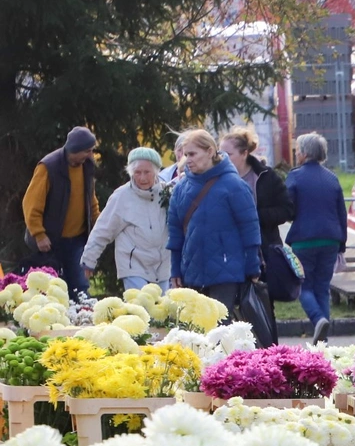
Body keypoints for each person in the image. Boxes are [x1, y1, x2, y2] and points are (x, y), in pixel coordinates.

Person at [166, 129, 262, 313]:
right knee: (195, 331)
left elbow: (250, 229)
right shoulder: (180, 189)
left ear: (210, 152)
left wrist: (252, 268)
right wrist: (175, 270)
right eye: (186, 155)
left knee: (220, 326)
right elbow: (175, 233)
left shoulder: (234, 186)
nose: (188, 159)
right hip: (191, 271)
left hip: (227, 272)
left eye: (193, 154)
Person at [221, 127, 294, 316]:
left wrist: (254, 216)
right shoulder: (218, 179)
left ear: (244, 153)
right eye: (221, 154)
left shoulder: (265, 177)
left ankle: (268, 344)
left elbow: (287, 210)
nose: (223, 158)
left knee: (261, 307)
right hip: (226, 255)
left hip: (262, 253)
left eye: (228, 154)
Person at [285, 132, 349, 345]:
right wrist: (342, 244)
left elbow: (289, 210)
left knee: (303, 286)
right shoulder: (332, 178)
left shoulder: (295, 176)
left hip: (304, 240)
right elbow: (342, 213)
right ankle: (323, 339)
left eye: (296, 150)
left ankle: (318, 319)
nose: (296, 154)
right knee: (322, 287)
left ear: (303, 153)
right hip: (331, 240)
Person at [21, 126, 100, 297]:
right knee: (51, 290)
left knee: (80, 288)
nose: (90, 155)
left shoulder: (87, 166)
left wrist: (98, 228)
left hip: (78, 240)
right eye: (87, 151)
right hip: (50, 241)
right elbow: (31, 203)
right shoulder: (48, 167)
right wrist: (39, 234)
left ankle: (82, 320)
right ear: (75, 149)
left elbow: (91, 201)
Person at [80, 148, 169, 292]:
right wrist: (89, 260)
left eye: (147, 172)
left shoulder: (167, 193)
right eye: (137, 173)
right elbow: (103, 230)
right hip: (133, 266)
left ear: (156, 172)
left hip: (163, 266)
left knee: (163, 312)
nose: (142, 178)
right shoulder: (121, 196)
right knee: (141, 309)